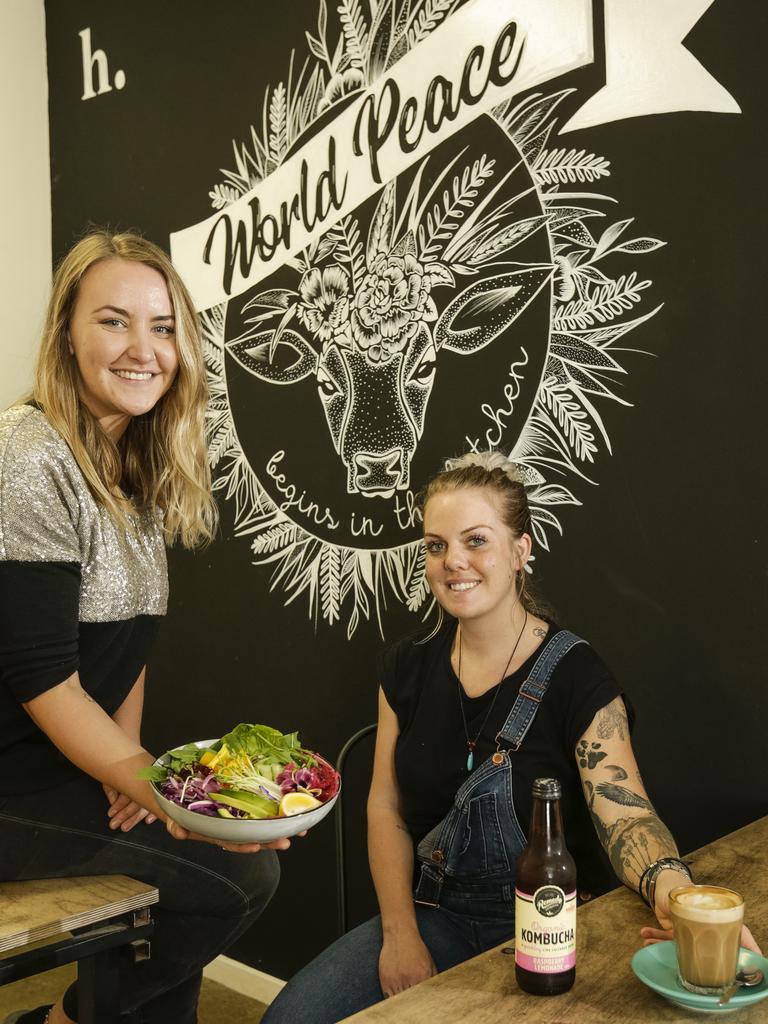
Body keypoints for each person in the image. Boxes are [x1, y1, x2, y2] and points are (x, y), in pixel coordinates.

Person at [262, 451, 759, 1024]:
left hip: (555, 920)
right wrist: (401, 935)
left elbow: (625, 814)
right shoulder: (404, 668)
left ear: (520, 551)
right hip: (435, 913)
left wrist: (684, 903)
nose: (454, 562)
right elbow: (386, 808)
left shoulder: (576, 674)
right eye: (436, 545)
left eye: (476, 541)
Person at [0, 232, 286, 1024]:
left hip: (60, 768)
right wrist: (155, 787)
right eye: (114, 322)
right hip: (10, 782)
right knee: (238, 874)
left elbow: (129, 650)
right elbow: (42, 677)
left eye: (163, 327)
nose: (143, 349)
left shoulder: (136, 464)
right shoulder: (29, 454)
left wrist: (123, 772)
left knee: (215, 858)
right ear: (66, 334)